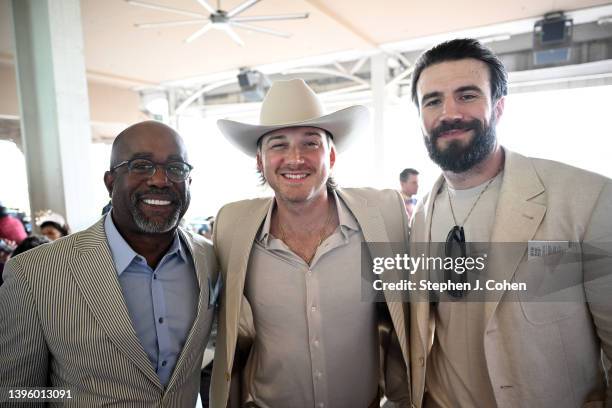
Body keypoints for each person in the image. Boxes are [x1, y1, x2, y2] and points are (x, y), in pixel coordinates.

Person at [408, 38, 612, 407]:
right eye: (433, 100)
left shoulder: (586, 199)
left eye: (467, 95)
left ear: (499, 107)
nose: (448, 112)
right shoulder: (420, 215)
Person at [210, 79, 411, 407]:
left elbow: (413, 315)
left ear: (331, 155)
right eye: (278, 145)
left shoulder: (385, 216)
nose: (295, 158)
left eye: (310, 143)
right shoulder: (232, 226)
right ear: (259, 161)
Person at [0, 121, 219, 405]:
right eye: (141, 165)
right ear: (110, 181)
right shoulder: (34, 273)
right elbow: (17, 393)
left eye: (176, 168)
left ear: (189, 181)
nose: (160, 180)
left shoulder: (210, 259)